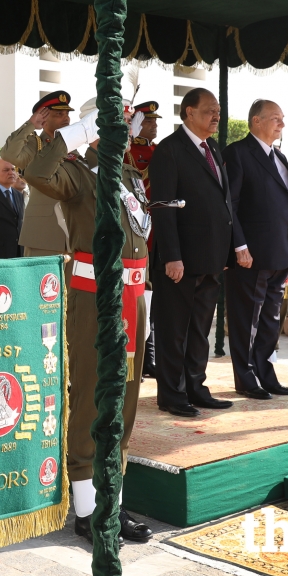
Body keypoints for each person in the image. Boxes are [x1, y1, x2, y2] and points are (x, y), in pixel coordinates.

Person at [23, 98, 154, 547]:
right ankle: (85, 508)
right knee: (92, 398)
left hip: (134, 300)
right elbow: (37, 171)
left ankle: (112, 501)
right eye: (113, 121)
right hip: (95, 298)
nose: (126, 127)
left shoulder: (129, 173)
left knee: (125, 401)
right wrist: (77, 131)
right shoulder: (77, 172)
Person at [147, 88, 235, 418]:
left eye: (218, 111)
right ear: (189, 113)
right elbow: (163, 207)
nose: (216, 116)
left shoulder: (211, 148)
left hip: (210, 258)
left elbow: (224, 203)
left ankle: (196, 387)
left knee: (199, 329)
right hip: (179, 261)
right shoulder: (170, 150)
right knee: (174, 330)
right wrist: (171, 255)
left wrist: (228, 250)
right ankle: (172, 395)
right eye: (209, 110)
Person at [223, 100, 288, 399]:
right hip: (250, 256)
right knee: (246, 320)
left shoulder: (279, 157)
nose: (281, 124)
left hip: (279, 254)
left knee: (270, 321)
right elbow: (231, 206)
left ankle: (266, 374)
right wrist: (239, 245)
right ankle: (246, 378)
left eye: (282, 119)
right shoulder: (238, 153)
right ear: (256, 121)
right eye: (275, 119)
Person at [1, 91, 73, 257]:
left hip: (71, 231)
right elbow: (9, 155)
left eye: (67, 114)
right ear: (44, 118)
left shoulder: (71, 147)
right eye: (59, 114)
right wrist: (31, 125)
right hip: (44, 233)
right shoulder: (36, 144)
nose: (66, 118)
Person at [128, 100, 161, 378]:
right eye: (149, 121)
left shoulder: (158, 151)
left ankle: (150, 358)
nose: (155, 126)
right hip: (137, 235)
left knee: (154, 299)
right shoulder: (129, 153)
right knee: (139, 298)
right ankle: (141, 358)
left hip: (157, 234)